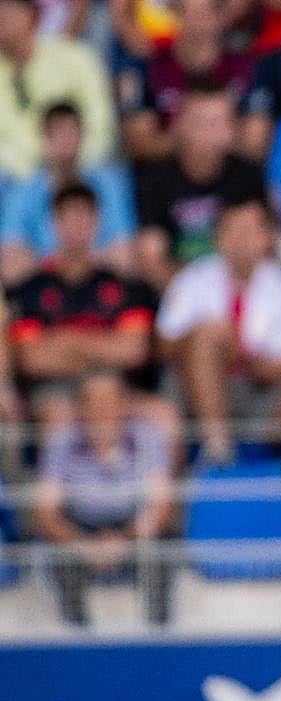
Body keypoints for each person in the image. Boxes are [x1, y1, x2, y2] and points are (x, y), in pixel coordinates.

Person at [157, 195, 281, 463]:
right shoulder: (192, 279)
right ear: (219, 237)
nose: (241, 241)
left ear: (267, 238)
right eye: (233, 231)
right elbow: (163, 346)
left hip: (256, 390)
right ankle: (216, 445)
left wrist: (236, 351)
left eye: (249, 231)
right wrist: (206, 343)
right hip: (192, 387)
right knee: (208, 335)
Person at [6, 184, 159, 434]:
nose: (77, 226)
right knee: (61, 418)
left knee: (162, 416)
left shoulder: (125, 286)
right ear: (54, 223)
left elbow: (134, 350)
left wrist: (64, 341)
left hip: (117, 385)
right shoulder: (31, 289)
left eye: (84, 217)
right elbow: (31, 358)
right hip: (54, 389)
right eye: (69, 217)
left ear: (98, 222)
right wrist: (103, 346)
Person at [33, 368, 173, 626]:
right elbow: (45, 512)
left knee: (162, 552)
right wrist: (81, 543)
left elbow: (161, 506)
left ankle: (158, 638)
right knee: (57, 555)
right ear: (80, 407)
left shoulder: (147, 435)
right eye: (93, 401)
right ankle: (77, 639)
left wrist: (125, 540)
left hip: (132, 526)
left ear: (125, 404)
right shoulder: (61, 440)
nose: (102, 409)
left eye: (110, 400)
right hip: (79, 526)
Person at [135, 79, 267, 289]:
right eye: (200, 122)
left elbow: (260, 248)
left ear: (231, 128)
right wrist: (196, 294)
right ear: (179, 125)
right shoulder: (156, 179)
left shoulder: (247, 176)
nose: (208, 133)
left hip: (239, 291)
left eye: (217, 123)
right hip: (178, 294)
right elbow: (153, 257)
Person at [116, 0, 269, 164]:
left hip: (233, 175)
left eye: (205, 14)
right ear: (175, 15)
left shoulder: (246, 68)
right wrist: (201, 134)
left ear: (222, 17)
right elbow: (139, 143)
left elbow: (255, 145)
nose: (197, 23)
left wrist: (195, 132)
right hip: (163, 174)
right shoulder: (147, 68)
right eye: (188, 13)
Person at [1, 101, 136, 284]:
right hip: (42, 287)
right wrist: (67, 264)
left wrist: (70, 264)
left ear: (83, 136)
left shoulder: (109, 184)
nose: (66, 142)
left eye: (72, 132)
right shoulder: (23, 191)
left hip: (98, 284)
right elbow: (11, 256)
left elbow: (123, 252)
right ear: (44, 139)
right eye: (59, 133)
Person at [0, 0, 115, 180]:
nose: (1, 16)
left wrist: (68, 163)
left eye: (6, 8)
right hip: (15, 180)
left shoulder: (76, 58)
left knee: (107, 179)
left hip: (81, 171)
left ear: (33, 14)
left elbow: (101, 129)